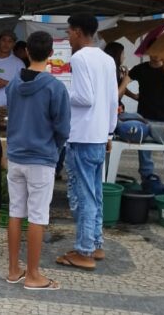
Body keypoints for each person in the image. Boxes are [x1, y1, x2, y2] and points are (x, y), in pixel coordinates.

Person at [5, 31, 70, 290]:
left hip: (16, 155)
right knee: (37, 216)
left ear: (27, 52)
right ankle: (32, 274)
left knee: (15, 211)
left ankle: (13, 270)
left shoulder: (12, 83)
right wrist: (54, 147)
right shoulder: (55, 87)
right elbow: (63, 128)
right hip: (42, 157)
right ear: (51, 54)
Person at [56, 14, 118, 271]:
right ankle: (95, 243)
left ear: (79, 32)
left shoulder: (80, 57)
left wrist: (61, 90)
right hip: (99, 133)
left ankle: (84, 250)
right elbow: (113, 100)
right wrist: (110, 133)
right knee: (95, 192)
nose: (68, 36)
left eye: (69, 32)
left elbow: (84, 97)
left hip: (82, 135)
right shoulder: (107, 59)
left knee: (84, 195)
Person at [120, 54, 164, 192]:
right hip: (145, 118)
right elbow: (125, 81)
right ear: (148, 52)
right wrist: (125, 93)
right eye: (153, 51)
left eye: (160, 51)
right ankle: (148, 180)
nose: (156, 55)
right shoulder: (140, 68)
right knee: (144, 153)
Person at [103, 42, 137, 111]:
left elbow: (119, 89)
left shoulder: (115, 69)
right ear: (117, 55)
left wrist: (134, 96)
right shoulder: (111, 70)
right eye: (123, 54)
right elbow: (115, 97)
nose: (124, 57)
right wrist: (125, 82)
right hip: (112, 111)